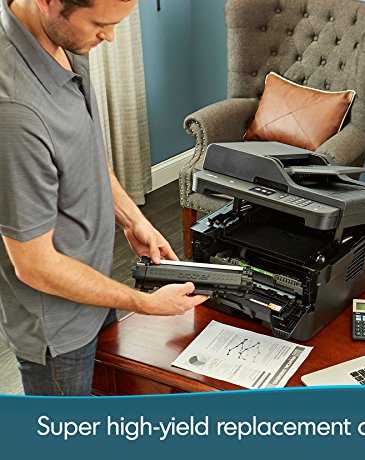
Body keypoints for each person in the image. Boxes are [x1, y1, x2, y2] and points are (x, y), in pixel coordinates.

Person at [0, 0, 208, 396]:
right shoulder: (14, 112)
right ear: (48, 2)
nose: (110, 37)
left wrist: (133, 220)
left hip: (94, 286)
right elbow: (35, 266)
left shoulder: (68, 43)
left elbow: (86, 153)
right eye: (100, 23)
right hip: (59, 330)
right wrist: (144, 303)